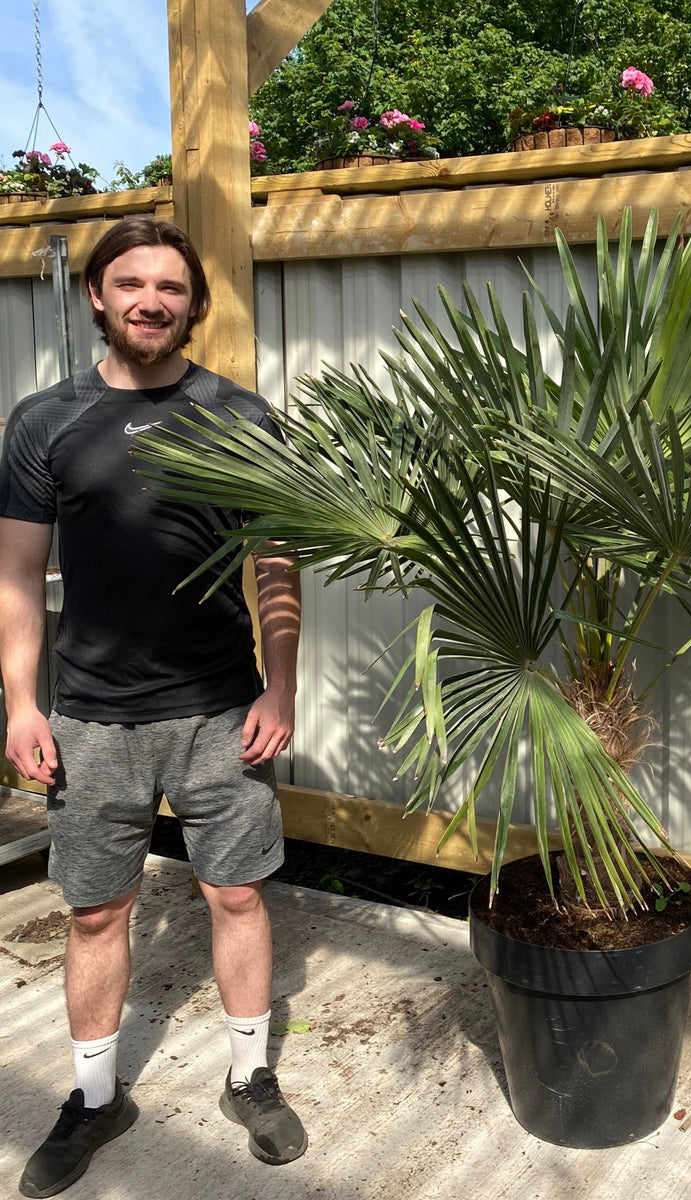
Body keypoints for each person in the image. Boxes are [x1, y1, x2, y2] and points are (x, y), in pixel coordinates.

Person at [0, 216, 306, 1197]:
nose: (150, 300)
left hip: (221, 709)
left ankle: (251, 1077)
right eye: (131, 283)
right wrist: (19, 703)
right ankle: (96, 1101)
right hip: (91, 717)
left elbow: (276, 564)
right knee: (97, 912)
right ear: (98, 294)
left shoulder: (242, 417)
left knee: (237, 892)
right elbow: (15, 575)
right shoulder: (45, 421)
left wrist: (283, 683)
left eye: (170, 287)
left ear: (193, 302)